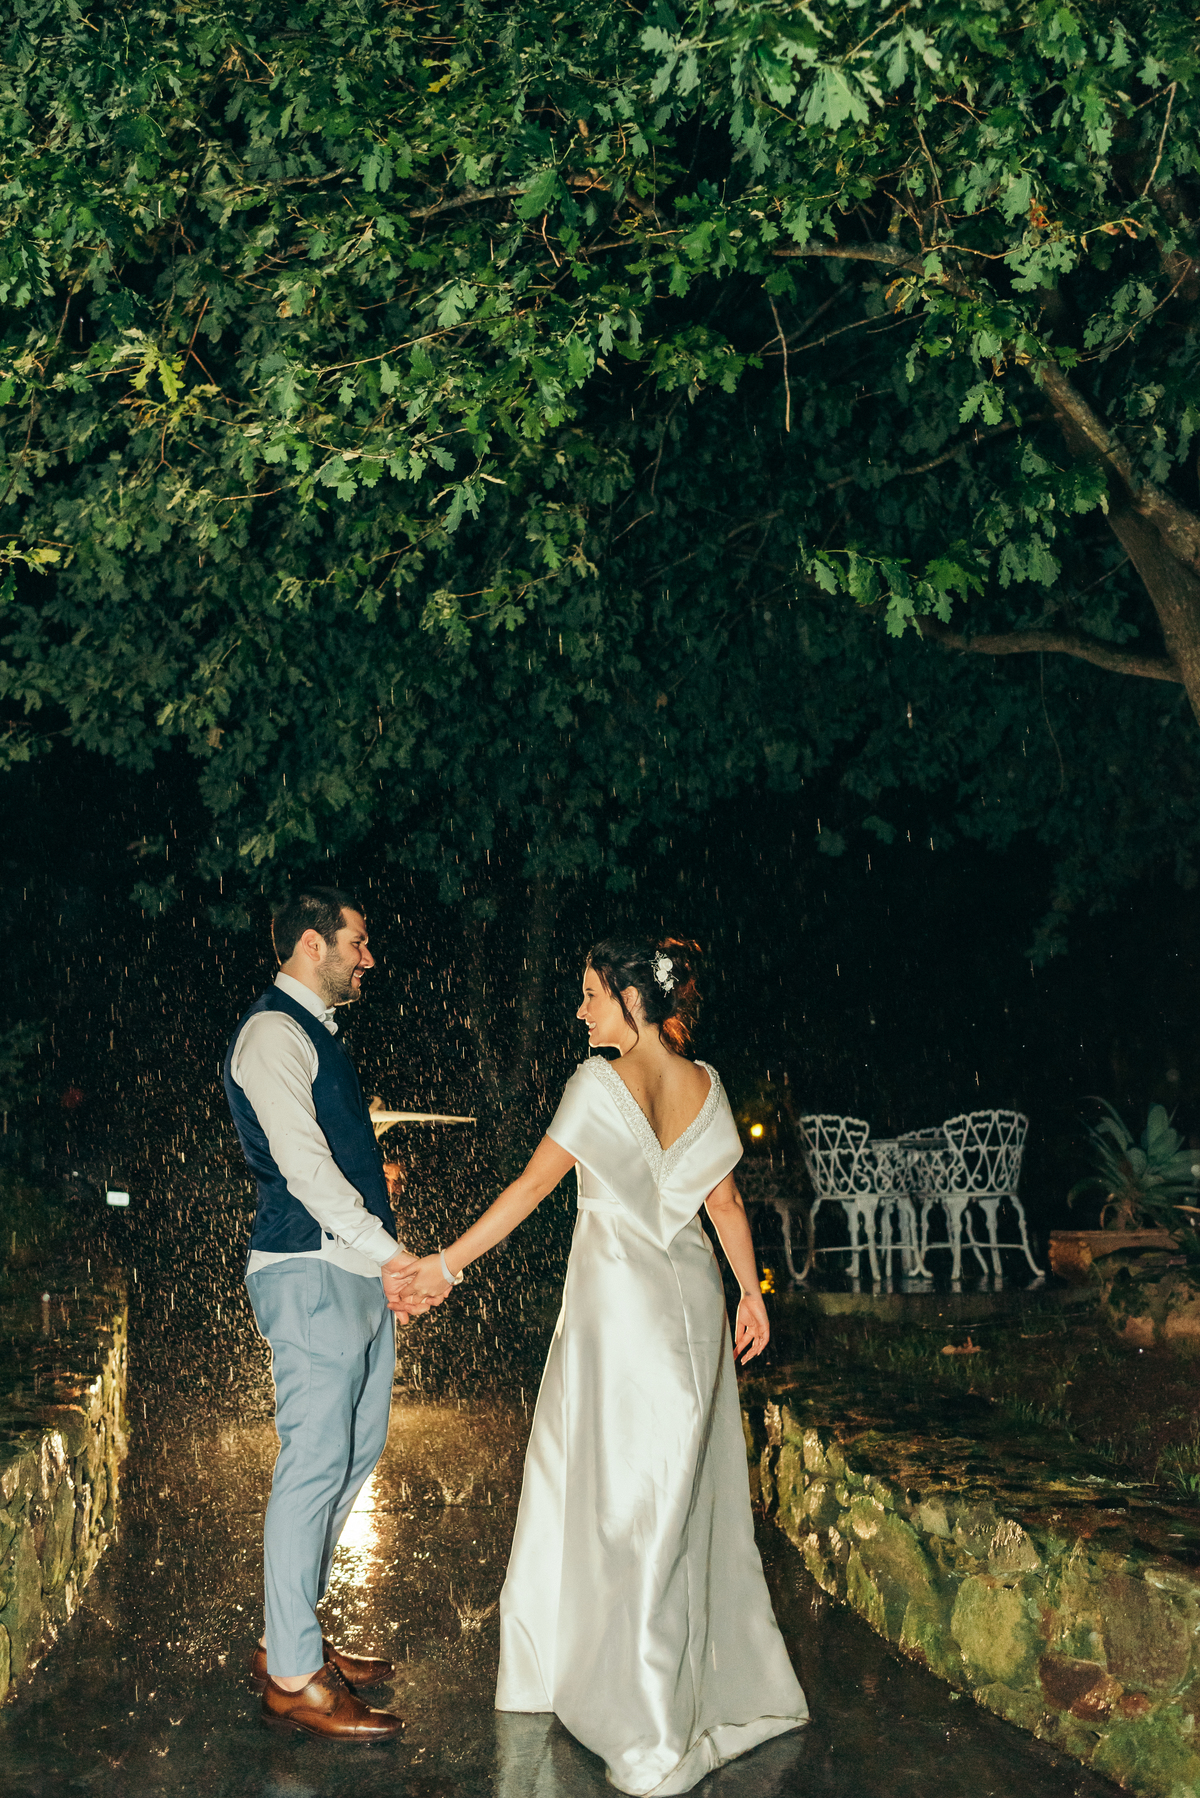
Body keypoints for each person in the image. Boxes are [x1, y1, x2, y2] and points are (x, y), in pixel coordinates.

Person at [393, 936, 808, 1794]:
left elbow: (528, 1189)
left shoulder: (594, 1086)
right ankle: (656, 1679)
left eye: (589, 993)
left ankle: (644, 1716)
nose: (579, 1011)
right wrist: (751, 1294)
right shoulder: (708, 1085)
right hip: (691, 1311)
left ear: (630, 998)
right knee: (674, 1499)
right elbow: (724, 1201)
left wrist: (444, 1266)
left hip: (619, 1319)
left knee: (618, 1501)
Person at [223, 884, 427, 1743]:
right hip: (305, 1267)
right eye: (359, 942)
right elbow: (303, 1171)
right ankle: (295, 1679)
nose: (368, 957)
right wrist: (392, 1255)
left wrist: (379, 1260)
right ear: (314, 944)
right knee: (314, 1462)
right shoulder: (272, 1032)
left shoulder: (320, 1038)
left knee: (355, 1451)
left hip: (348, 1268)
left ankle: (289, 1638)